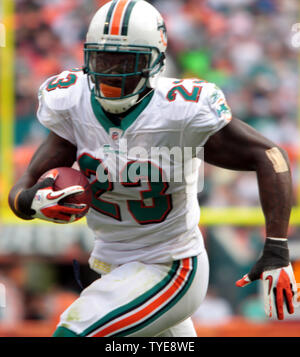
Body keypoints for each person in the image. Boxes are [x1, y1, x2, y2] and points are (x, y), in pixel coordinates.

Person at [8, 0, 298, 337]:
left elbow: (270, 155)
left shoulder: (179, 111)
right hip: (116, 267)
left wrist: (277, 248)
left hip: (171, 267)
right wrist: (32, 201)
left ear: (154, 61)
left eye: (124, 62)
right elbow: (23, 186)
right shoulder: (73, 104)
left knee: (73, 332)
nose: (111, 73)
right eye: (103, 59)